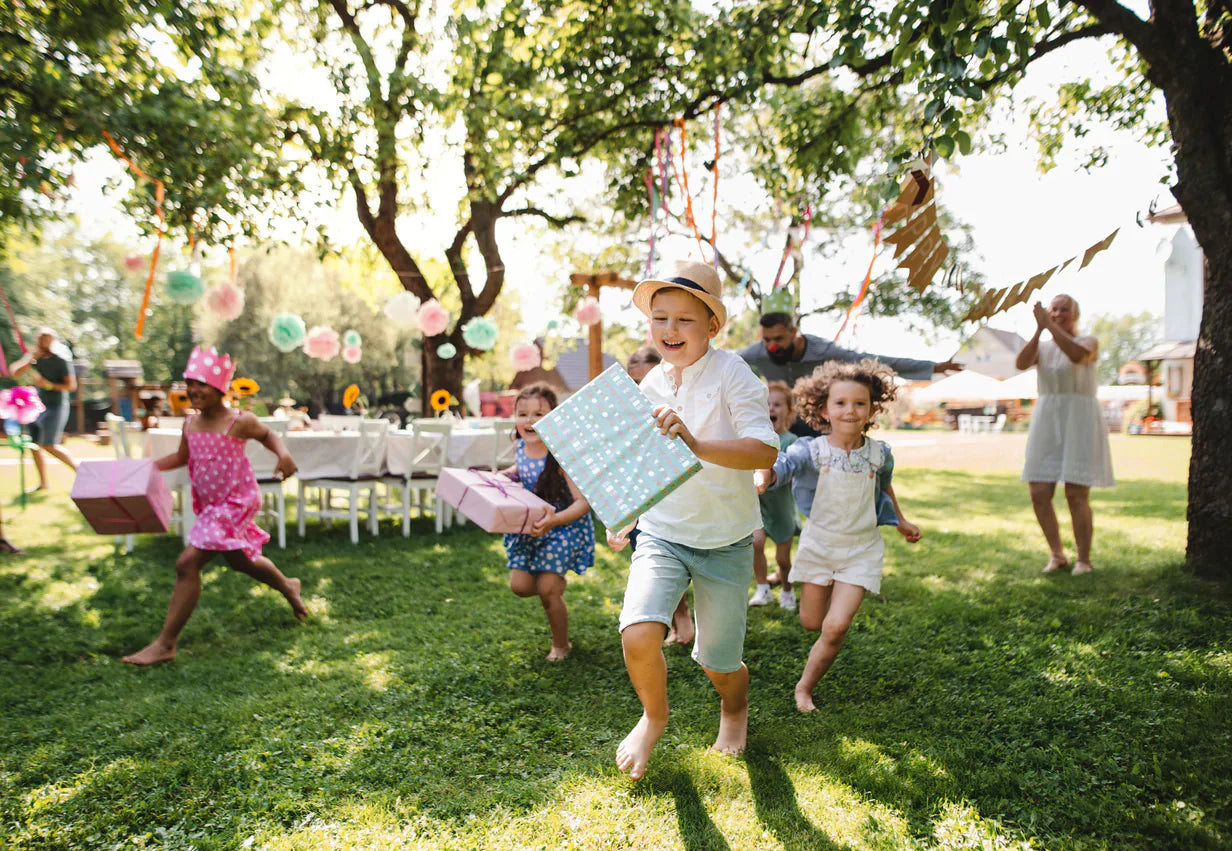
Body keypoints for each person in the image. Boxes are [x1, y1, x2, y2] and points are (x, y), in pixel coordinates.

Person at [612, 259, 779, 780]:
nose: (670, 329)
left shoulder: (734, 373)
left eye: (685, 319)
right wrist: (625, 514)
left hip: (725, 539)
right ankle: (653, 717)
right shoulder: (649, 384)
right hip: (662, 532)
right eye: (660, 318)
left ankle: (735, 707)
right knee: (638, 631)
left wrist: (697, 443)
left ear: (712, 326)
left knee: (718, 663)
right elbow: (644, 462)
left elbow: (764, 450)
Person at [122, 346, 307, 665]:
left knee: (187, 563)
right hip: (212, 504)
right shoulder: (189, 424)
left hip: (237, 501)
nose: (194, 390)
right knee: (241, 561)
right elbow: (182, 457)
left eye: (202, 384)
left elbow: (268, 435)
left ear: (220, 388)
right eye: (190, 383)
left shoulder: (239, 421)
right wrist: (148, 467)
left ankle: (165, 644)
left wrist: (284, 454)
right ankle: (288, 585)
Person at [755, 359, 921, 712]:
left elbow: (884, 488)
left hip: (861, 550)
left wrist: (901, 521)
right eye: (841, 403)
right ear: (823, 409)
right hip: (819, 546)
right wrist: (766, 475)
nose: (850, 410)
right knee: (811, 623)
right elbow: (784, 466)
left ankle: (804, 688)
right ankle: (830, 591)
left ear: (872, 409)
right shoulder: (811, 450)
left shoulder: (880, 454)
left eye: (860, 403)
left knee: (834, 627)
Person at [737, 312, 963, 436]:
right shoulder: (758, 352)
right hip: (779, 421)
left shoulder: (823, 351)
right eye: (767, 339)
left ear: (794, 332)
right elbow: (728, 361)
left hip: (815, 421)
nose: (772, 346)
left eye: (778, 339)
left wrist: (932, 367)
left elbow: (872, 361)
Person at [1017, 295, 1114, 575]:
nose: (1058, 313)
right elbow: (1021, 363)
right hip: (1047, 418)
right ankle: (1057, 554)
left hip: (1079, 419)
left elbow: (1076, 356)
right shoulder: (1044, 346)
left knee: (1075, 493)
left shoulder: (1088, 342)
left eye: (1064, 309)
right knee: (1038, 491)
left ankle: (1083, 560)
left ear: (1075, 314)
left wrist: (1049, 326)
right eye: (1054, 309)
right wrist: (1039, 330)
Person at [499, 383, 595, 662]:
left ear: (554, 418)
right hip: (533, 528)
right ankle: (553, 584)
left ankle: (561, 645)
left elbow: (582, 503)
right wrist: (502, 476)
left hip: (563, 527)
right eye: (523, 414)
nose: (529, 420)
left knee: (546, 590)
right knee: (519, 587)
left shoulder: (562, 455)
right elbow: (521, 469)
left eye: (539, 414)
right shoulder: (520, 447)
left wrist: (555, 521)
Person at [608, 345, 696, 646]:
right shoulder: (624, 419)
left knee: (679, 555)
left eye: (647, 381)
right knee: (650, 559)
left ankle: (685, 614)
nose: (641, 390)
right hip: (640, 500)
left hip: (677, 499)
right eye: (635, 383)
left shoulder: (675, 413)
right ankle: (676, 615)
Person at [749, 380, 800, 610]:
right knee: (755, 544)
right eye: (766, 404)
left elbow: (792, 472)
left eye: (777, 405)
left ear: (789, 411)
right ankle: (763, 589)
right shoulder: (755, 441)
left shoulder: (791, 442)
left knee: (783, 559)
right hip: (758, 507)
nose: (770, 408)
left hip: (782, 510)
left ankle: (787, 589)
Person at [10, 327, 78, 490]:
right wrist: (30, 360)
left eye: (47, 338)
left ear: (53, 340)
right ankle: (43, 483)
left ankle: (82, 472)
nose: (43, 342)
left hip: (56, 406)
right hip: (37, 407)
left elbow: (71, 386)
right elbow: (14, 373)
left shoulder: (60, 361)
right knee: (34, 445)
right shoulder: (35, 358)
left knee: (49, 445)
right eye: (41, 338)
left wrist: (49, 385)